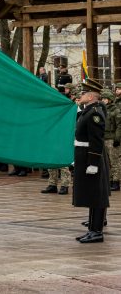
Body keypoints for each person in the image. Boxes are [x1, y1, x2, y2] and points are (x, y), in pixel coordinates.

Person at [74, 79, 110, 243]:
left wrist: (93, 163)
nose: (80, 96)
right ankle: (92, 229)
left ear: (90, 96)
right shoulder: (87, 111)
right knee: (91, 194)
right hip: (84, 156)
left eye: (83, 93)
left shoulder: (94, 113)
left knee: (96, 195)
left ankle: (97, 231)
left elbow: (96, 140)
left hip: (91, 157)